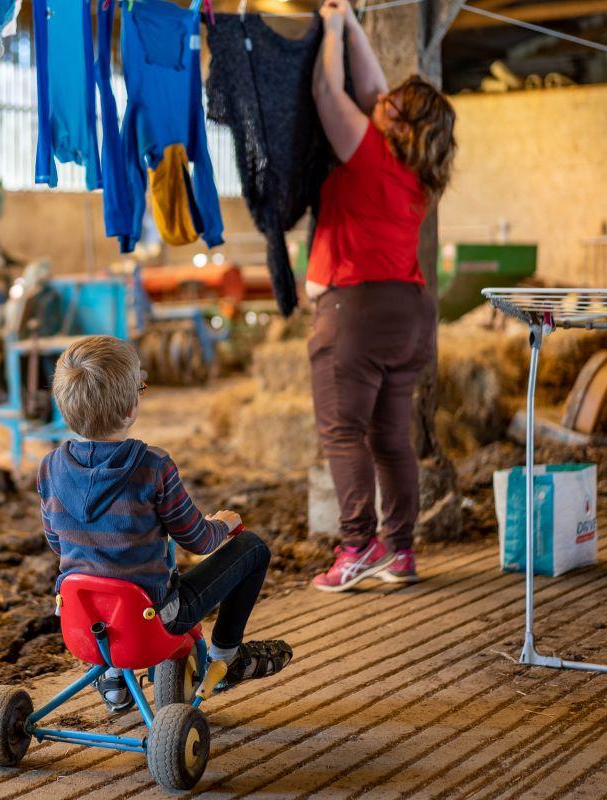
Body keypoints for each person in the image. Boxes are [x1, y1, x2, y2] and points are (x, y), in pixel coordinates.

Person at [37, 335, 292, 711]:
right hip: (153, 619)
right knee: (252, 549)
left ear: (62, 406)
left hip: (82, 623)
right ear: (131, 408)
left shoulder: (49, 468)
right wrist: (221, 524)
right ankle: (227, 656)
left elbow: (57, 542)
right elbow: (197, 540)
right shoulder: (153, 467)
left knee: (98, 575)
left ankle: (111, 679)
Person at [307, 0, 457, 591]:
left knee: (343, 432)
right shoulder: (417, 172)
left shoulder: (368, 152)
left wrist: (326, 32)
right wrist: (346, 20)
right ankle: (400, 551)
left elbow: (328, 90)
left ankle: (357, 545)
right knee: (391, 437)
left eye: (394, 103)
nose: (384, 98)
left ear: (400, 121)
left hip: (356, 311)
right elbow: (370, 90)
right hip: (411, 313)